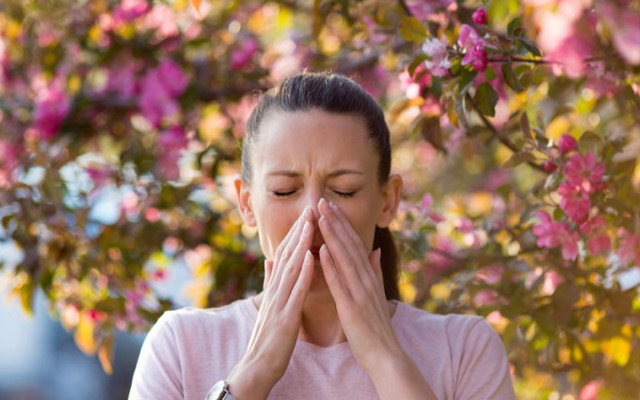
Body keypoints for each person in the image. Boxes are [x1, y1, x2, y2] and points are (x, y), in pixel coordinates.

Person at [129, 71, 517, 400]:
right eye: (284, 191)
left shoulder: (463, 349)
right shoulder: (181, 346)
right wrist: (255, 371)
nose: (313, 214)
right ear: (246, 203)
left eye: (344, 190)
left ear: (387, 200)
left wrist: (384, 357)